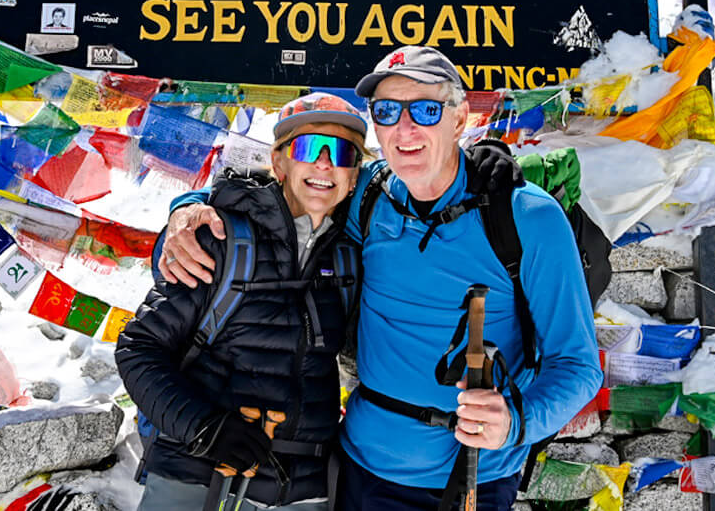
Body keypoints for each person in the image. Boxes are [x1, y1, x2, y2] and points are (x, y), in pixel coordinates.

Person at [160, 46, 603, 510]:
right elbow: (279, 193)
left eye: (426, 110)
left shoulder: (525, 218)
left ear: (459, 120)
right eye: (387, 111)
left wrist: (517, 421)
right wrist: (187, 209)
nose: (405, 129)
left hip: (474, 475)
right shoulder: (367, 197)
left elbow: (577, 365)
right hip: (365, 469)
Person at [115, 93, 371, 510]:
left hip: (303, 491)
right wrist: (205, 428)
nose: (324, 163)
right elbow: (138, 348)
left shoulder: (350, 257)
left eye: (341, 153)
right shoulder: (219, 239)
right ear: (279, 162)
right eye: (308, 148)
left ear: (354, 175)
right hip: (197, 477)